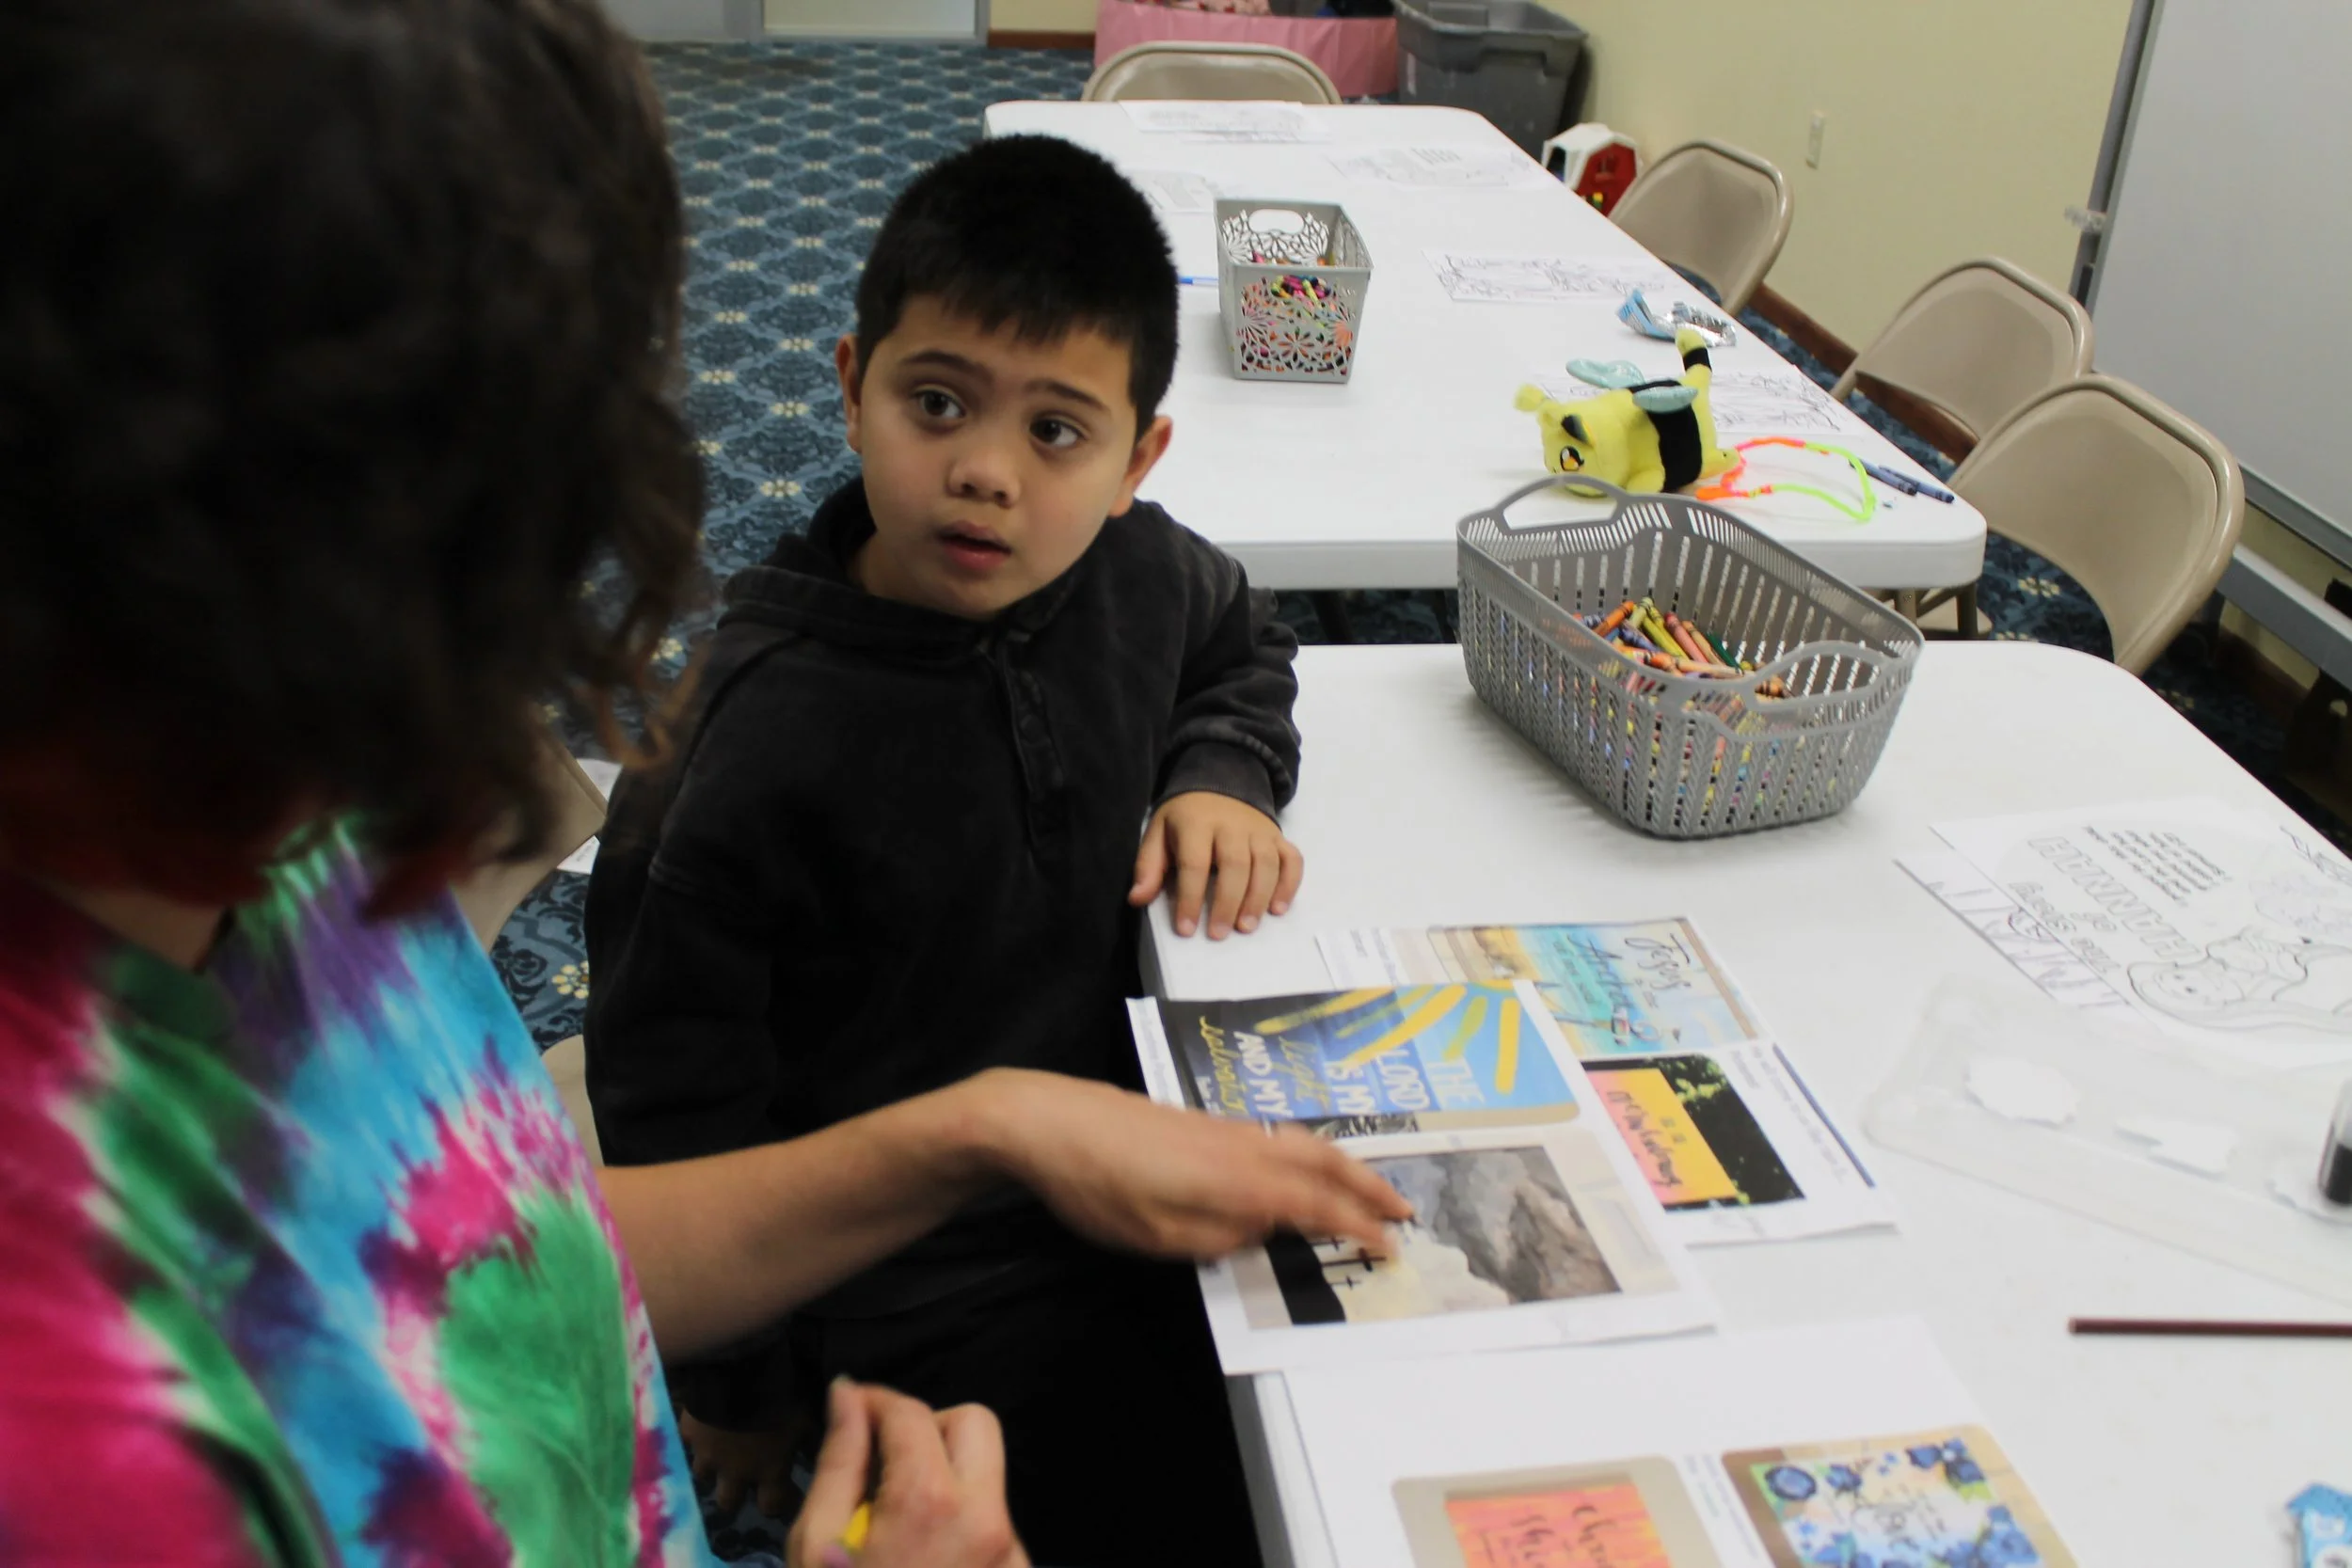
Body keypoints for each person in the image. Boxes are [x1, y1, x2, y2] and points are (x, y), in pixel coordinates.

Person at [0, 6, 1410, 1566]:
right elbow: (672, 1076)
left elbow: (513, 1232)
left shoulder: (282, 857)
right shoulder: (94, 1450)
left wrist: (989, 1128)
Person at [584, 136, 1308, 1564]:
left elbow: (1242, 645)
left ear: (1135, 457)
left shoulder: (1141, 568)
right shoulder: (748, 738)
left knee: (1342, 1407)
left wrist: (1225, 773)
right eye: (937, 404)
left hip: (1132, 1162)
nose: (984, 474)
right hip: (905, 1272)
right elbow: (676, 1086)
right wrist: (729, 1385)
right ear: (852, 388)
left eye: (1056, 432)